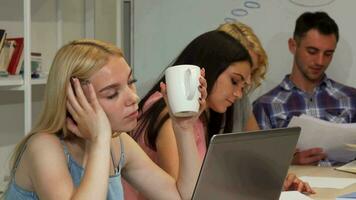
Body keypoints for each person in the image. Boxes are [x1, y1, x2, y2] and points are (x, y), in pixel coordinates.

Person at [2, 39, 207, 200]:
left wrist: (184, 127)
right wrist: (99, 141)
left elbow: (183, 196)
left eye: (130, 82)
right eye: (111, 94)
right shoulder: (44, 147)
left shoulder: (118, 143)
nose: (133, 97)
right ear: (73, 101)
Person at [124, 30, 314, 199]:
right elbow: (184, 194)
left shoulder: (202, 114)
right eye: (234, 81)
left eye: (243, 87)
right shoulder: (170, 112)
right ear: (209, 69)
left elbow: (206, 183)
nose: (238, 94)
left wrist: (267, 185)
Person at [252, 11, 356, 165]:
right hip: (295, 187)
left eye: (328, 54)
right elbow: (258, 166)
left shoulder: (351, 99)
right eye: (312, 51)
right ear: (293, 46)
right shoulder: (265, 106)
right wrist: (288, 162)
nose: (320, 61)